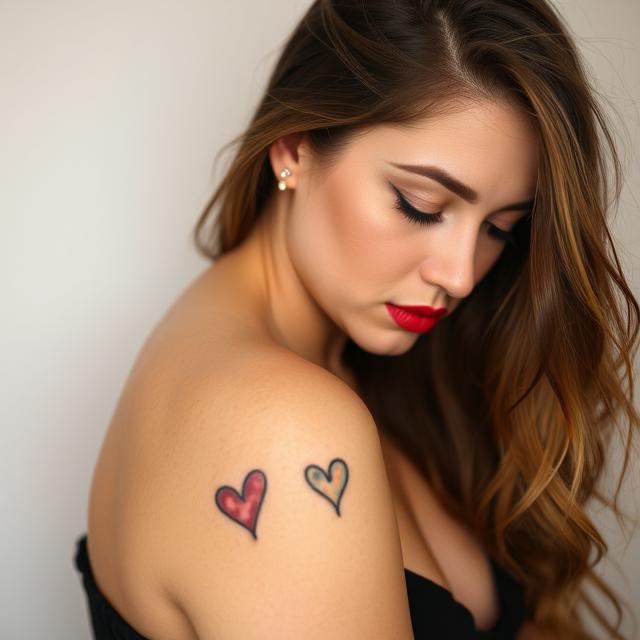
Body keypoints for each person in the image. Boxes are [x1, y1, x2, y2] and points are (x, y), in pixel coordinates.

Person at [73, 0, 639, 638]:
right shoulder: (278, 425)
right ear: (294, 148)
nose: (460, 276)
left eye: (499, 228)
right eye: (420, 205)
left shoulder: (357, 360)